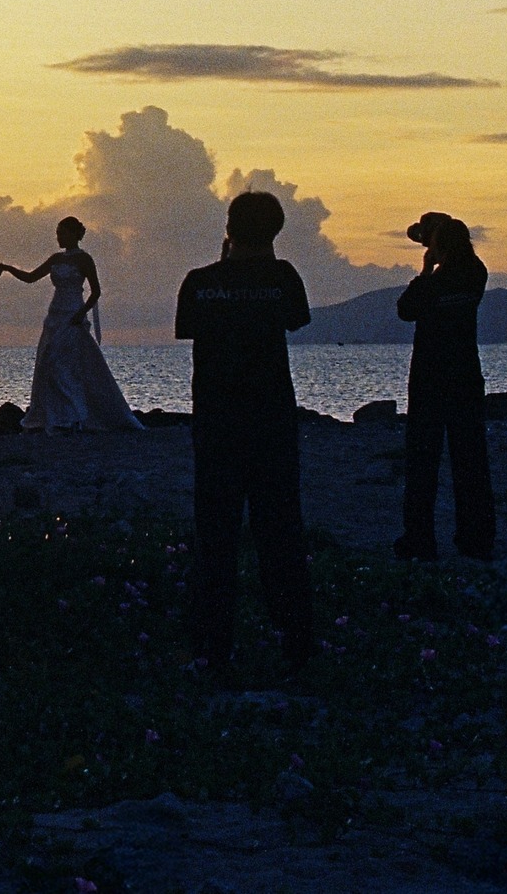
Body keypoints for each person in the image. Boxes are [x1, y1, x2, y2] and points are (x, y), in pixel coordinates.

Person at [175, 191, 313, 674]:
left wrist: (225, 264)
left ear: (229, 227)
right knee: (281, 533)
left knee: (215, 536)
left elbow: (191, 327)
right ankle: (296, 641)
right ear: (275, 231)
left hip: (216, 421)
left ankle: (213, 645)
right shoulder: (284, 279)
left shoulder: (199, 283)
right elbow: (295, 319)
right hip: (272, 418)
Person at [395, 213, 495, 562]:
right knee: (471, 462)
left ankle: (419, 540)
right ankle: (477, 539)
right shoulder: (476, 273)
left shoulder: (435, 282)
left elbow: (406, 310)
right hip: (466, 377)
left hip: (430, 380)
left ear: (438, 246)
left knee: (423, 463)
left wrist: (425, 268)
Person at [0, 216, 142, 433]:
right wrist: (7, 268)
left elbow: (96, 292)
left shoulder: (85, 260)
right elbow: (30, 277)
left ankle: (73, 415)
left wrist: (81, 313)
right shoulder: (55, 258)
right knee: (48, 362)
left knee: (65, 365)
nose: (58, 237)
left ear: (74, 234)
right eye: (57, 233)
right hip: (55, 315)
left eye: (62, 233)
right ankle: (56, 414)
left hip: (73, 315)